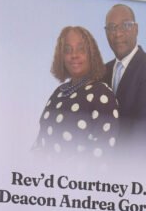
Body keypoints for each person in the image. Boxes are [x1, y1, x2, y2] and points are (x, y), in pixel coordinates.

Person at [36, 26, 119, 162]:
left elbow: (101, 155)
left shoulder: (102, 95)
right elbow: (40, 142)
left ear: (92, 55)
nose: (74, 55)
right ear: (61, 57)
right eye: (68, 50)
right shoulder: (59, 92)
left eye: (81, 49)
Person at [103, 3, 146, 163]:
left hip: (137, 169)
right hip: (102, 174)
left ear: (136, 29)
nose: (118, 33)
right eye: (111, 27)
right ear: (106, 33)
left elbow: (144, 126)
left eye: (125, 25)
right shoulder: (101, 72)